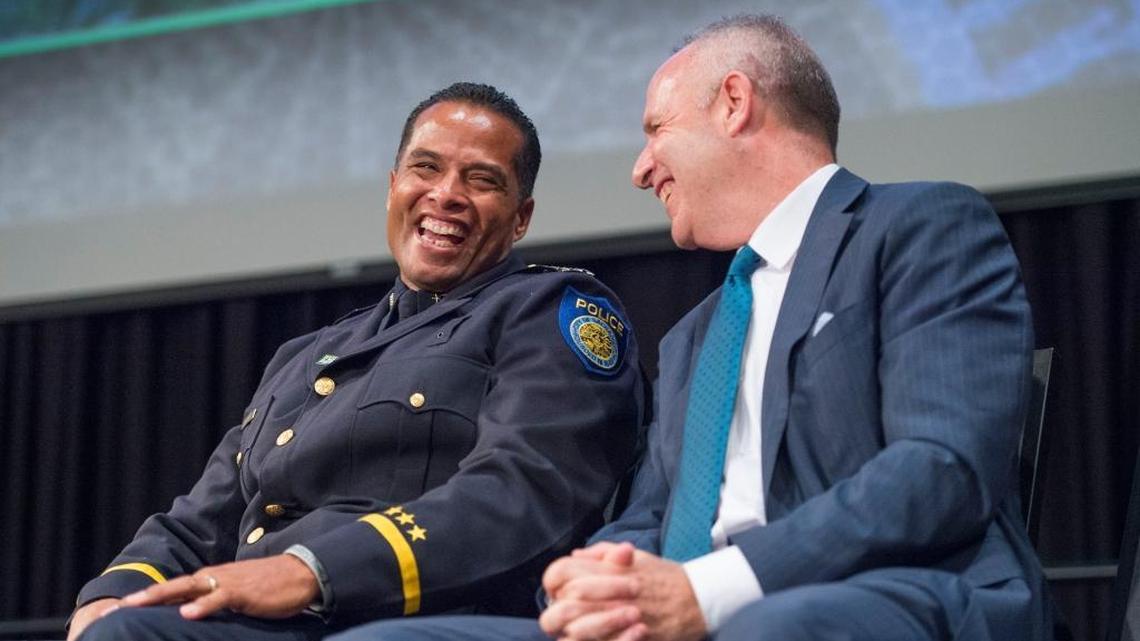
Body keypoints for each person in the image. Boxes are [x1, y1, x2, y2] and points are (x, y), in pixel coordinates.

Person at [327, 14, 1051, 641]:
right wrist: (592, 580)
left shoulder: (920, 227)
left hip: (893, 597)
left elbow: (940, 469)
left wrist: (708, 592)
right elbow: (649, 516)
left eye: (656, 130)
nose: (642, 170)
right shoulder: (694, 334)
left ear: (734, 103)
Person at [68, 82, 646, 641]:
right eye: (426, 168)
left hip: (413, 618)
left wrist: (310, 570)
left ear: (521, 218)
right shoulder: (305, 355)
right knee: (123, 625)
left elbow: (524, 490)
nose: (445, 194)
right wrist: (114, 590)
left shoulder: (547, 308)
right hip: (267, 623)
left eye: (482, 179)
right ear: (393, 186)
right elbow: (202, 520)